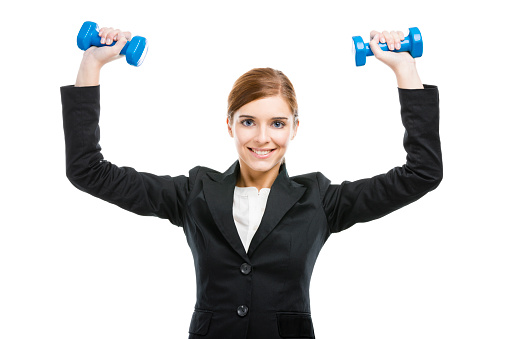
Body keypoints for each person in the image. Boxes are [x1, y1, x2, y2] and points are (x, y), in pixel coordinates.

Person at [61, 26, 442, 339]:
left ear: (295, 128)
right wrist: (91, 63)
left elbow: (422, 173)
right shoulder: (195, 193)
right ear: (230, 125)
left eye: (277, 123)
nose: (262, 138)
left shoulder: (321, 200)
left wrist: (404, 70)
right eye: (248, 121)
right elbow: (88, 170)